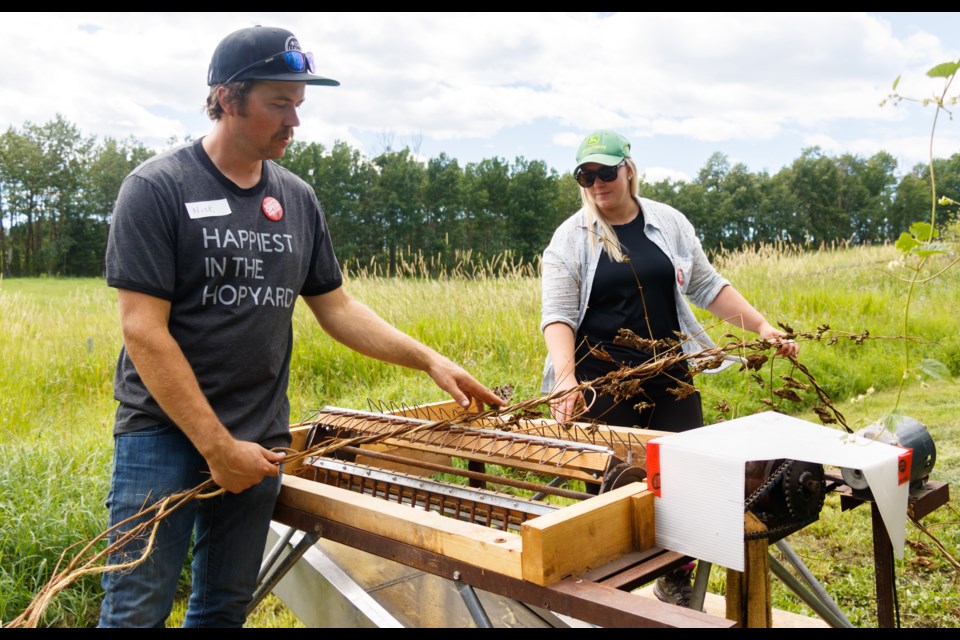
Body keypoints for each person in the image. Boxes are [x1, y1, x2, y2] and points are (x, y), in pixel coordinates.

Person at [99, 25, 503, 628]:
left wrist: (429, 359)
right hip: (163, 435)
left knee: (223, 607)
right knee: (137, 608)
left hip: (259, 435)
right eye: (278, 103)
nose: (294, 122)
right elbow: (143, 332)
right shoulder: (157, 188)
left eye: (299, 105)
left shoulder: (296, 197)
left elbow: (336, 308)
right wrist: (215, 446)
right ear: (228, 98)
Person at [539, 129, 798, 609]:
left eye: (606, 171)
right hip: (604, 383)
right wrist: (566, 377)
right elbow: (557, 315)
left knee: (685, 483)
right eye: (585, 174)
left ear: (629, 169)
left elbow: (706, 284)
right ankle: (602, 596)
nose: (597, 183)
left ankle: (675, 580)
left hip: (672, 377)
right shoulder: (570, 238)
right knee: (614, 492)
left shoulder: (668, 222)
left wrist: (762, 327)